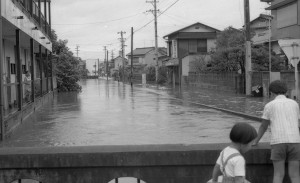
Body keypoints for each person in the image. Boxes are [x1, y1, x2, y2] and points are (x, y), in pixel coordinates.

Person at [253, 80, 300, 183]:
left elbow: (263, 126)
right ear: (286, 91)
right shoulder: (294, 104)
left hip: (278, 142)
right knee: (295, 175)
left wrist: (256, 141)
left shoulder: (269, 105)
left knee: (278, 175)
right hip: (295, 142)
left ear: (271, 92)